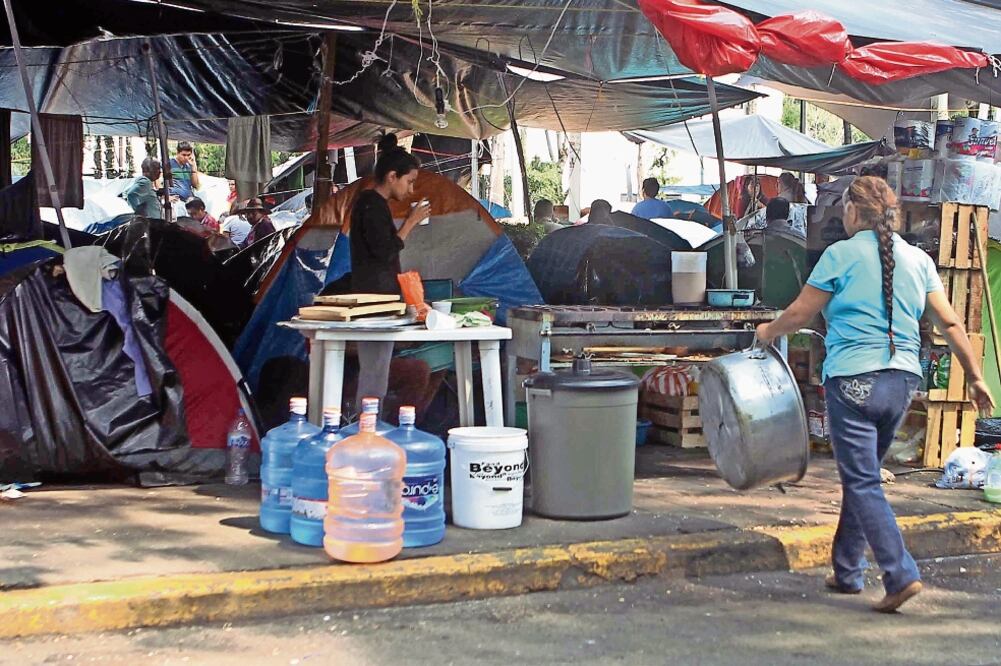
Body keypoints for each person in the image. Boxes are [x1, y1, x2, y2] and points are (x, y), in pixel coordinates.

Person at [755, 176, 994, 613]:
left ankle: (900, 574)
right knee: (861, 477)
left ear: (851, 212)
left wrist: (767, 332)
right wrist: (976, 378)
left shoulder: (839, 255)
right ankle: (846, 570)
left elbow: (801, 312)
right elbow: (952, 324)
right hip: (901, 384)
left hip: (852, 383)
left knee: (862, 479)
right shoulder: (918, 259)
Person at [349, 133, 429, 408]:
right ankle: (368, 428)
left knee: (377, 371)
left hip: (379, 300)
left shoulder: (372, 204)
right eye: (409, 181)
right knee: (374, 371)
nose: (410, 190)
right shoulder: (370, 204)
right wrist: (410, 223)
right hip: (374, 302)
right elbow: (384, 251)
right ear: (392, 176)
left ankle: (371, 425)